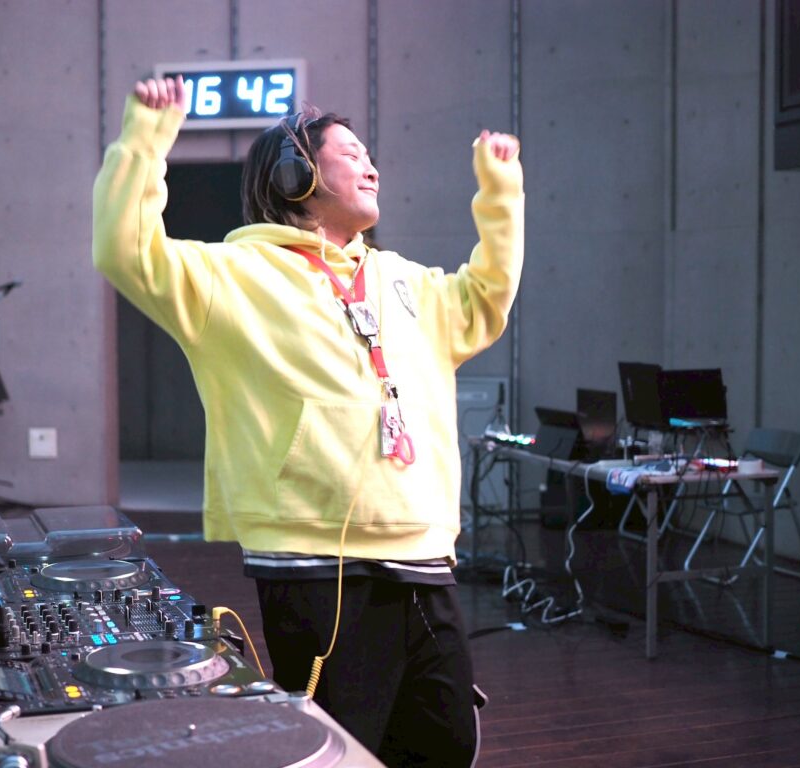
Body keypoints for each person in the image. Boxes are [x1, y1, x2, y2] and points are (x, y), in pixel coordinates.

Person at [93, 75, 523, 767]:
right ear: (296, 177)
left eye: (369, 154)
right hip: (314, 564)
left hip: (424, 555)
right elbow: (126, 250)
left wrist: (500, 193)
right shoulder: (231, 276)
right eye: (350, 154)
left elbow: (486, 299)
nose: (371, 166)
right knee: (338, 751)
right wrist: (146, 136)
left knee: (444, 742)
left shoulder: (404, 279)